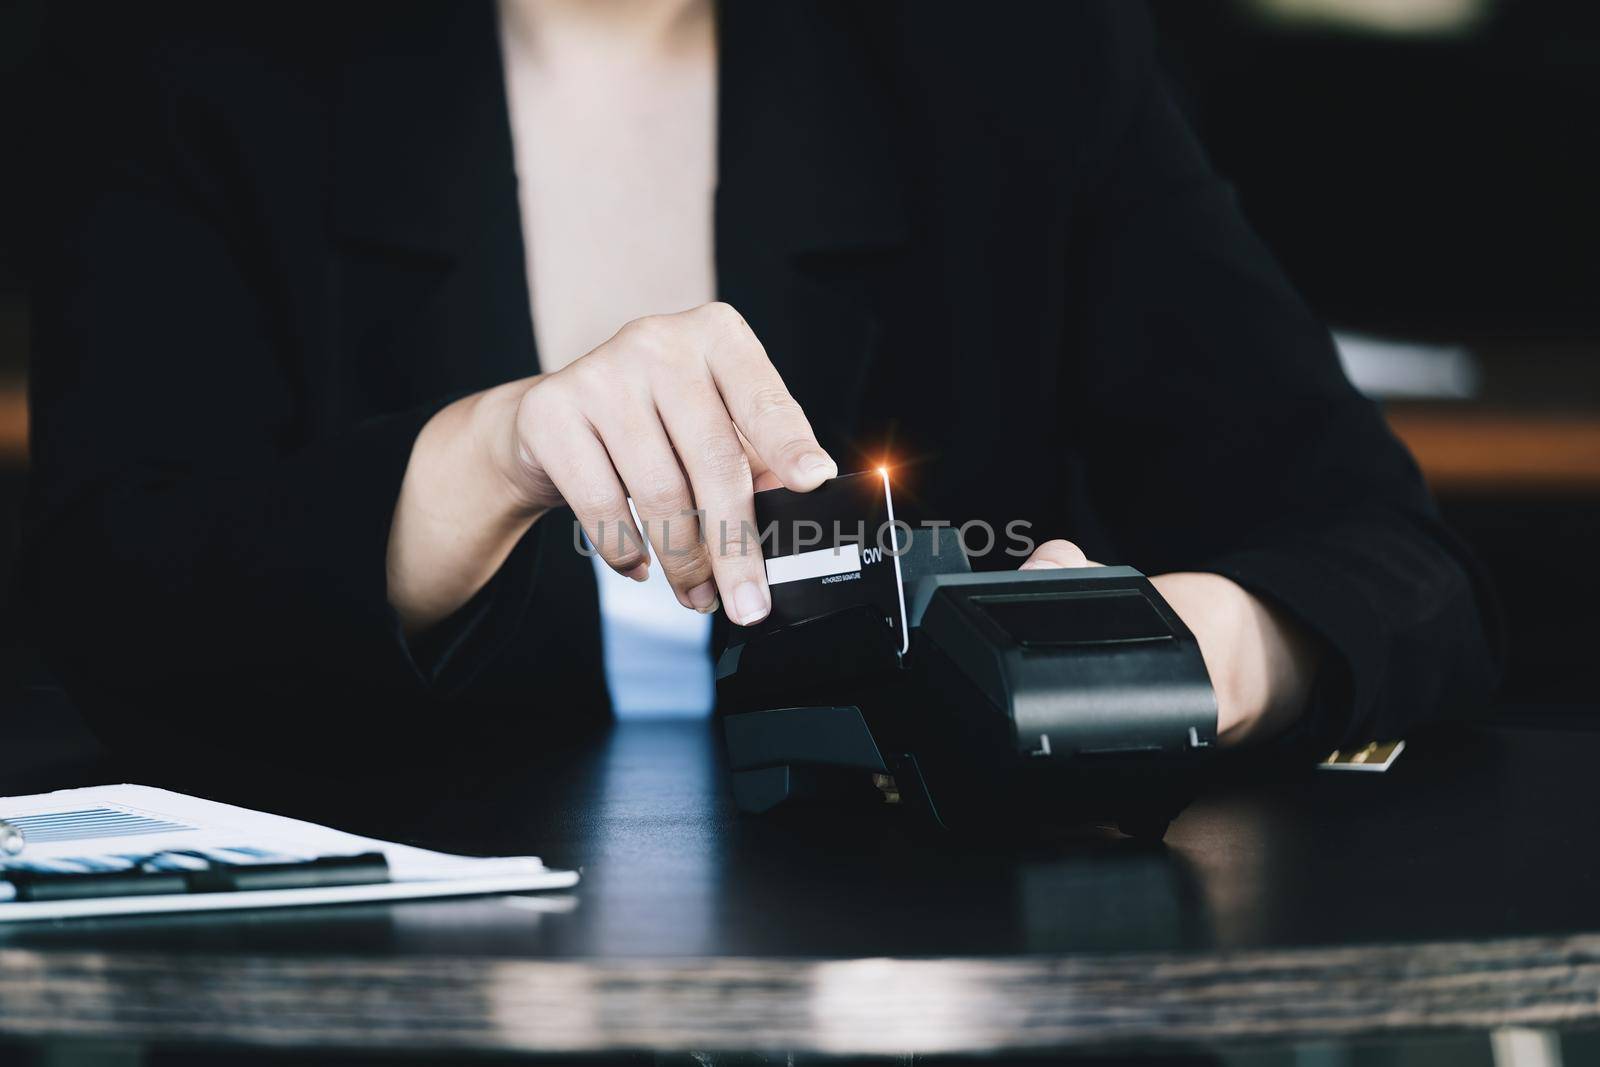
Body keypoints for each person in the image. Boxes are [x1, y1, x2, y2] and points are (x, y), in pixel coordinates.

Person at [22, 1, 1498, 795]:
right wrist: (477, 460)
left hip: (951, 994)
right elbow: (117, 611)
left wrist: (1193, 656)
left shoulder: (1025, 51)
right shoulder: (185, 55)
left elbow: (1384, 561)